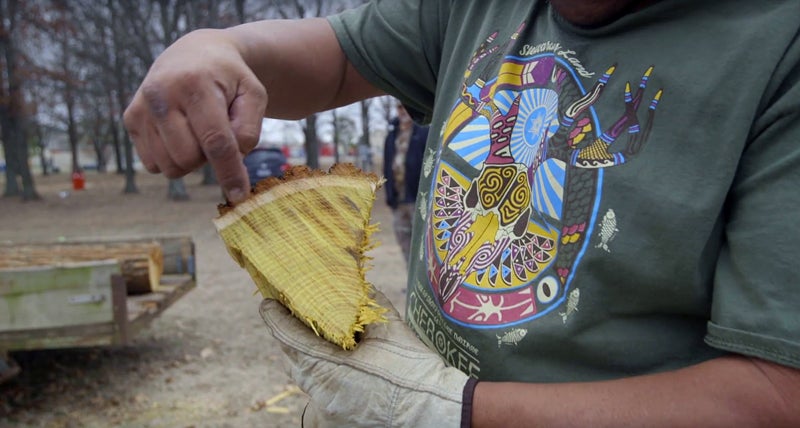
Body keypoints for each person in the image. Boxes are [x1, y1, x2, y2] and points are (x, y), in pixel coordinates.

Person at [123, 0, 800, 426]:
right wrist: (223, 50)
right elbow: (334, 62)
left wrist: (440, 409)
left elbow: (777, 395)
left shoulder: (779, 45)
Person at [383, 103, 429, 264]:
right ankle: (410, 285)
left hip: (417, 199)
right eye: (399, 107)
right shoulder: (391, 135)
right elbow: (387, 165)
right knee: (404, 242)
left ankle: (424, 285)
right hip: (398, 200)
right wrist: (389, 195)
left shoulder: (423, 132)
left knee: (423, 245)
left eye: (405, 106)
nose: (403, 111)